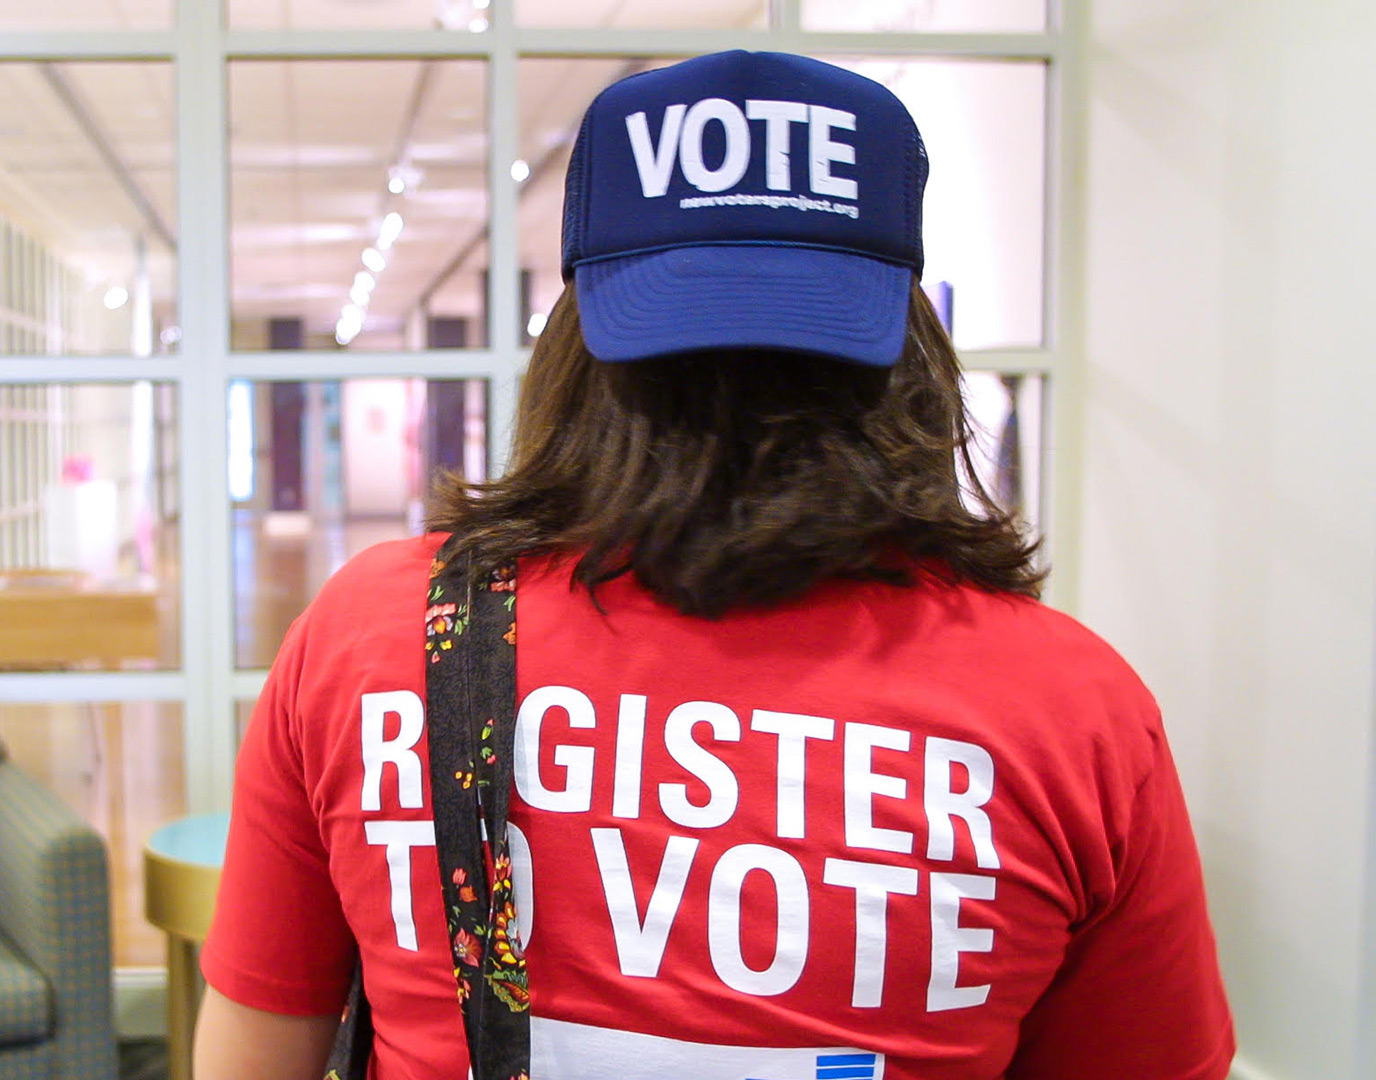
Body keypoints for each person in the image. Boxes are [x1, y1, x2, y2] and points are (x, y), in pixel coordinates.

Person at [195, 50, 1234, 1080]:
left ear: (576, 357)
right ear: (911, 360)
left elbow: (254, 1055)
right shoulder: (1072, 712)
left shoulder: (377, 635)